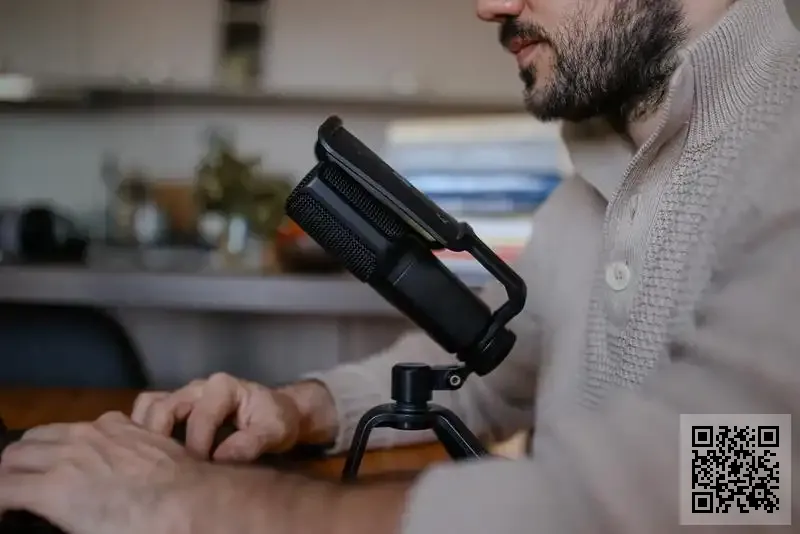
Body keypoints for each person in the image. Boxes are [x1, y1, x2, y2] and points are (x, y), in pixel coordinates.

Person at [2, 0, 800, 532]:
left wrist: (201, 506)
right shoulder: (583, 191)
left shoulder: (785, 154)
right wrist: (302, 409)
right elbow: (491, 374)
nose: (487, 5)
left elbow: (734, 487)